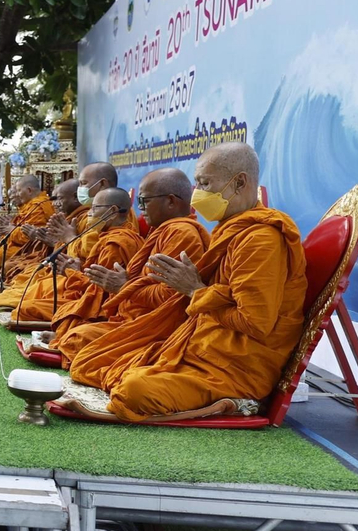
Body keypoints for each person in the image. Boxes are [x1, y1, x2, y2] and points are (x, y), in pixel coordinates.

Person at [68, 144, 307, 421]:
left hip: (236, 366)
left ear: (239, 182)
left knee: (133, 390)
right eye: (197, 184)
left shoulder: (260, 239)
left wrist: (195, 291)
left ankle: (234, 402)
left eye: (205, 183)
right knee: (89, 361)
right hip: (200, 346)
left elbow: (255, 322)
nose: (197, 195)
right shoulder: (231, 229)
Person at [51, 169, 210, 365]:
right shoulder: (162, 232)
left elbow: (170, 298)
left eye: (144, 201)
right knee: (73, 331)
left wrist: (122, 286)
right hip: (133, 316)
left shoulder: (181, 234)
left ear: (170, 201)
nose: (141, 209)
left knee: (77, 341)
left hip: (155, 327)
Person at [0, 188, 141, 324]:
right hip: (80, 290)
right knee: (37, 287)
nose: (90, 213)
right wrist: (63, 252)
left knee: (28, 308)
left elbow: (99, 291)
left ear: (113, 211)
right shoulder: (104, 232)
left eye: (95, 208)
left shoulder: (117, 243)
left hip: (99, 305)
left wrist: (74, 271)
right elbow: (86, 263)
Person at [0, 173, 52, 275]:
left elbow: (29, 238)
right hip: (20, 244)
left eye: (19, 191)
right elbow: (22, 226)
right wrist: (10, 224)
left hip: (31, 249)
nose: (17, 194)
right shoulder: (31, 205)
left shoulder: (39, 206)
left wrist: (11, 230)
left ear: (29, 190)